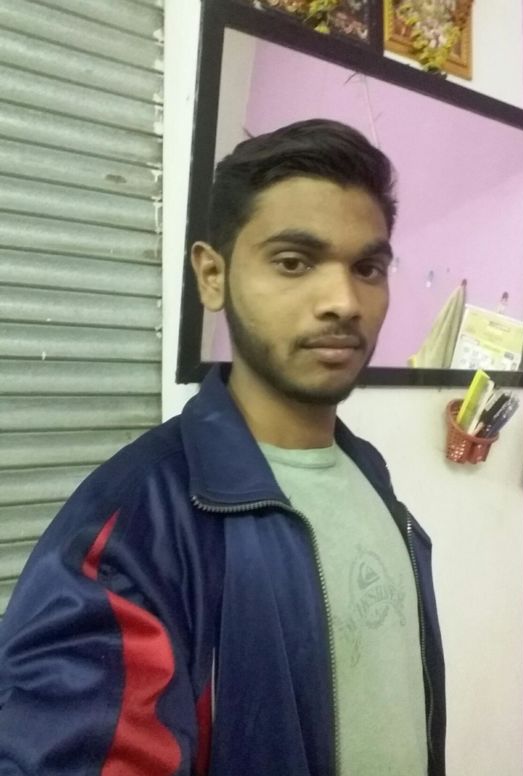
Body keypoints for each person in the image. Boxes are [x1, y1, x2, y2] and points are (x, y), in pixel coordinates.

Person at [0, 119, 446, 775]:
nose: (344, 301)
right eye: (293, 262)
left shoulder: (368, 472)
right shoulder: (134, 528)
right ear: (212, 275)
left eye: (367, 268)